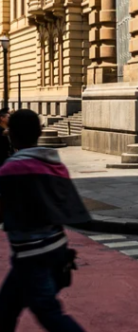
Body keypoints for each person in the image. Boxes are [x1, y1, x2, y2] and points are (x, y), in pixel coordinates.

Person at [0, 108, 90, 332]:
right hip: (56, 246)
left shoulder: (12, 169)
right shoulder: (53, 164)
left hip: (32, 252)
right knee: (6, 308)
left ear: (12, 134)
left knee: (48, 312)